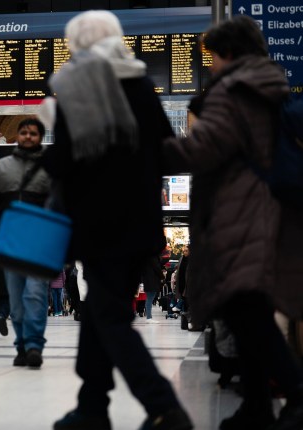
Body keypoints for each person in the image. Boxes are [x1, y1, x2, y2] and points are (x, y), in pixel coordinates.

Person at [40, 11, 192, 430]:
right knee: (99, 313)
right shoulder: (140, 81)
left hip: (98, 225)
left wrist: (52, 143)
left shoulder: (76, 84)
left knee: (108, 316)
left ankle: (164, 407)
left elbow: (68, 161)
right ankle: (92, 408)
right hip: (141, 222)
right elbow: (166, 150)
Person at [162, 15, 303, 430]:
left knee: (247, 310)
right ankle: (257, 405)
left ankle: (295, 394)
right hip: (263, 206)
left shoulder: (232, 91)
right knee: (247, 309)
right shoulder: (266, 86)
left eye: (213, 56)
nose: (209, 66)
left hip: (238, 209)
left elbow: (204, 150)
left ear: (230, 54)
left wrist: (152, 147)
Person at [0, 117, 52, 369]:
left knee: (36, 294)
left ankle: (34, 346)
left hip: (39, 241)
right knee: (17, 300)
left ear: (40, 137)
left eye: (33, 133)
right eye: (24, 132)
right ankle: (21, 345)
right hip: (9, 241)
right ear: (17, 136)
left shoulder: (50, 167)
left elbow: (60, 205)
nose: (28, 136)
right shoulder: (2, 167)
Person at [141, 254, 163, 323]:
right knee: (150, 298)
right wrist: (162, 276)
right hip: (152, 281)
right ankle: (149, 317)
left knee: (149, 298)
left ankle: (149, 317)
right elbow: (157, 268)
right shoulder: (153, 257)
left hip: (148, 280)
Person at [171, 246, 189, 313]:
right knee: (183, 296)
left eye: (186, 251)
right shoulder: (181, 258)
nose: (185, 252)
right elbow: (179, 269)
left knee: (186, 296)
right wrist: (175, 276)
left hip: (188, 281)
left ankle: (180, 308)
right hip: (181, 281)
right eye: (184, 251)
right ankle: (184, 312)